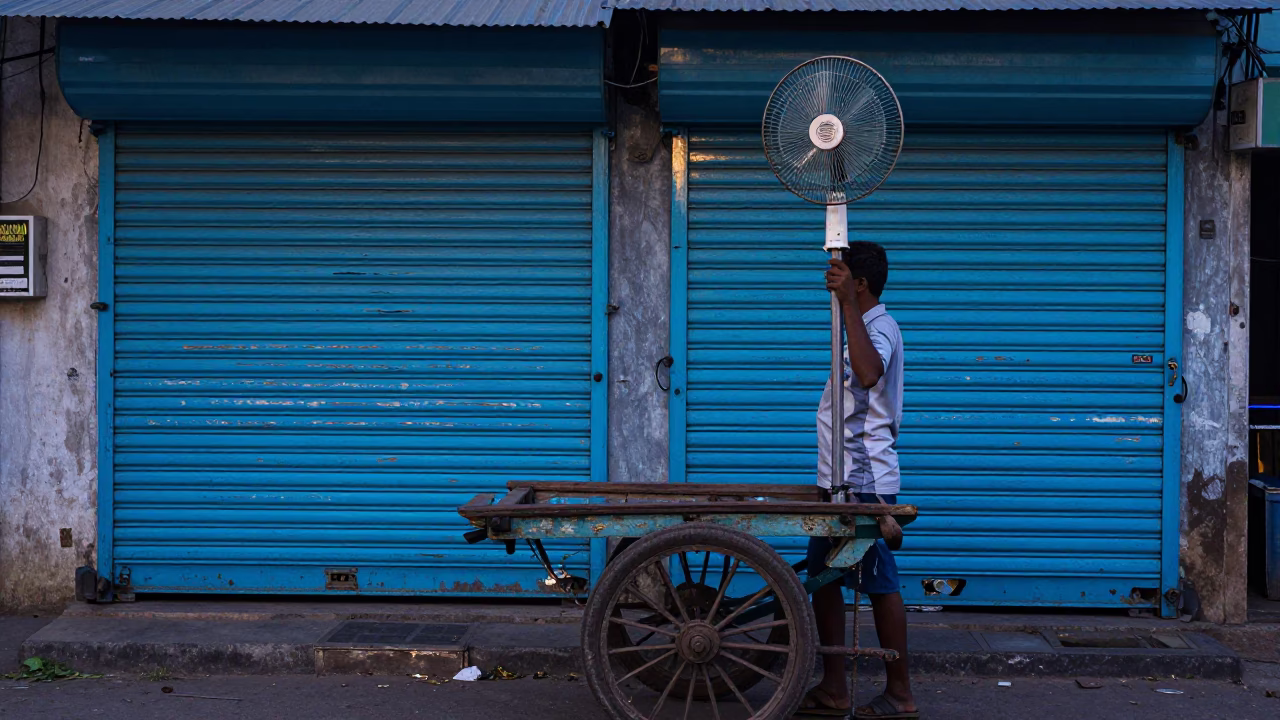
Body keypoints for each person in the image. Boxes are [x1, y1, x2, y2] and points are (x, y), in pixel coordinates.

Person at [799, 241, 917, 719]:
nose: (831, 281)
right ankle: (833, 687)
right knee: (822, 579)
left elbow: (868, 375)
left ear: (860, 283)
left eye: (841, 275)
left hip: (863, 482)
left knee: (881, 584)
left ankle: (900, 694)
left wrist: (847, 304)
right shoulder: (860, 326)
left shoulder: (877, 328)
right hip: (839, 480)